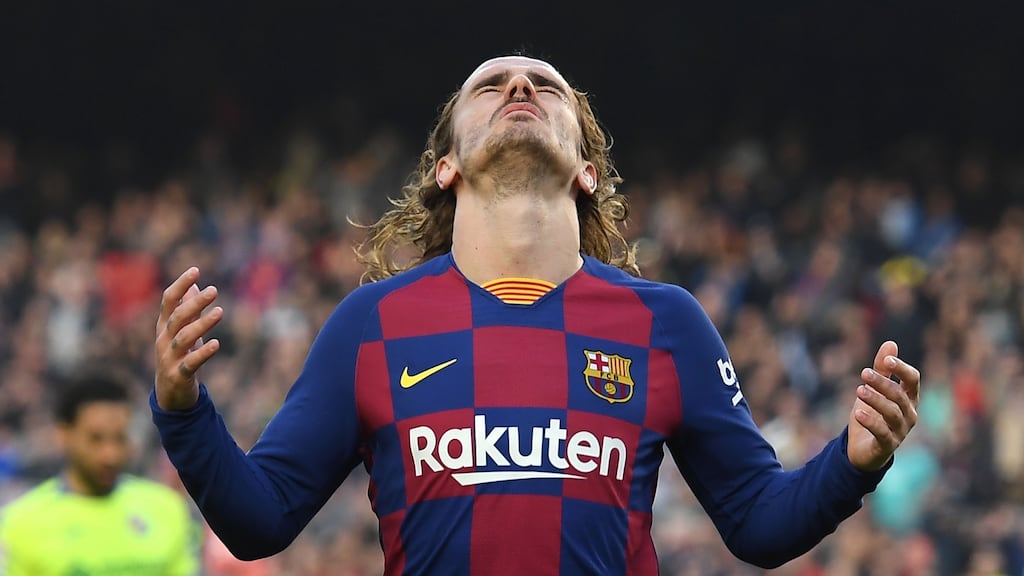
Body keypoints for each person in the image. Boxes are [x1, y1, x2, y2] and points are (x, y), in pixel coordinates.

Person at [151, 55, 921, 574]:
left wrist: (856, 460)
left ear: (587, 169)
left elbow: (758, 522)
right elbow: (259, 521)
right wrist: (183, 409)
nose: (520, 88)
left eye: (544, 87)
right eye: (491, 87)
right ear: (446, 165)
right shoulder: (371, 326)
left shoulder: (667, 323)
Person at [0, 372, 200, 575]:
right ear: (63, 435)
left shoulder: (167, 509)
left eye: (119, 438)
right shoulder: (21, 523)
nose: (110, 455)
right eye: (96, 439)